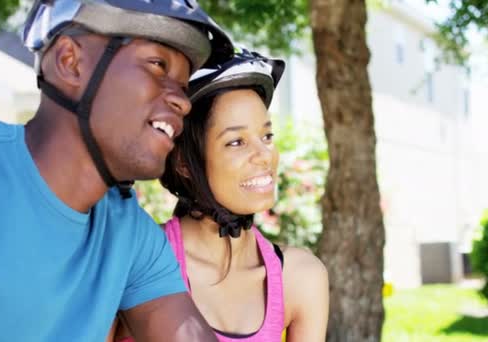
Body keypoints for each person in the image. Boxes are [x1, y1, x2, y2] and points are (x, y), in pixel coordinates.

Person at [0, 1, 235, 341]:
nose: (184, 101)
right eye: (158, 65)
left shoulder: (130, 235)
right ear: (69, 62)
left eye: (184, 84)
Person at [114, 49, 329, 341]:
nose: (264, 155)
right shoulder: (134, 262)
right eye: (237, 142)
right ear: (184, 163)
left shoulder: (300, 277)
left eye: (266, 136)